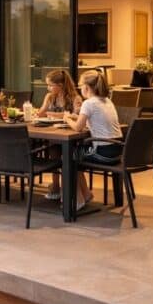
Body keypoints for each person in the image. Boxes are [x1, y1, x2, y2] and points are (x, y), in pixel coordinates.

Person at [64, 70, 123, 211]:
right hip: (117, 152)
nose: (79, 88)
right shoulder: (107, 101)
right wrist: (75, 116)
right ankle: (86, 194)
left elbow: (78, 128)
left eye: (80, 85)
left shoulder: (89, 103)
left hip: (103, 153)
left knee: (68, 157)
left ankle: (78, 199)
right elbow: (93, 121)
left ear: (86, 87)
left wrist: (67, 119)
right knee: (75, 154)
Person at [37, 69, 82, 201]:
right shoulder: (50, 97)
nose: (48, 88)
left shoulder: (75, 98)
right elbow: (41, 113)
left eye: (50, 85)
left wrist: (52, 114)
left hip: (70, 136)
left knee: (55, 150)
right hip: (52, 134)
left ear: (60, 85)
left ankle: (63, 188)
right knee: (53, 149)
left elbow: (76, 116)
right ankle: (56, 186)